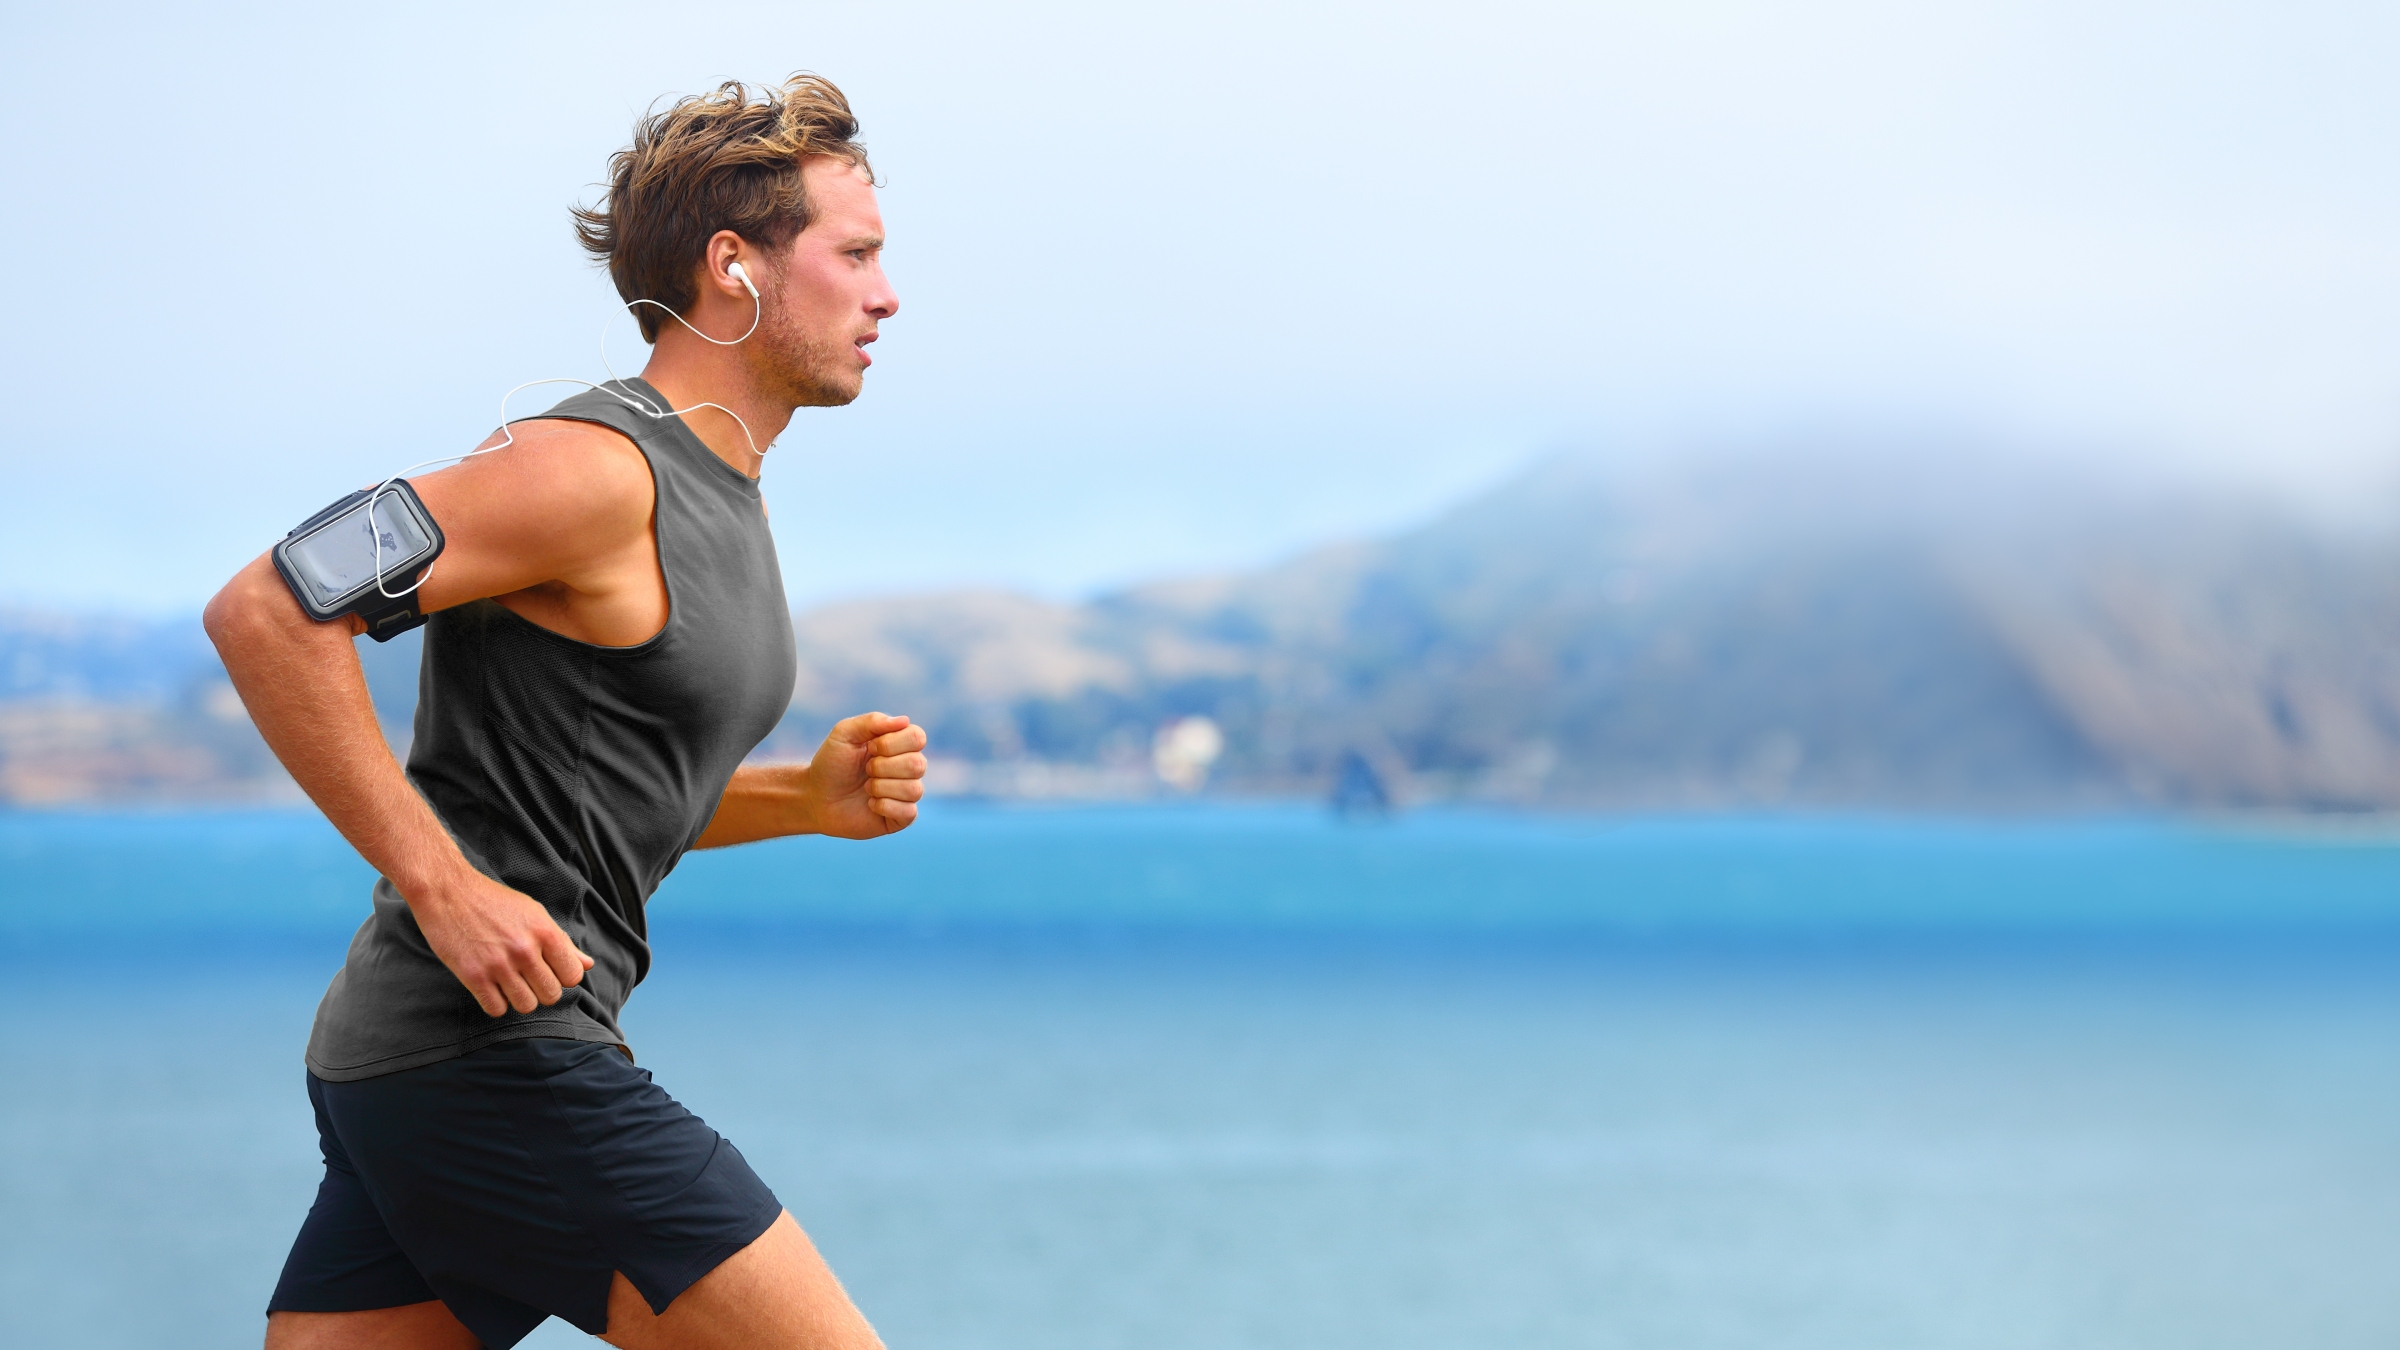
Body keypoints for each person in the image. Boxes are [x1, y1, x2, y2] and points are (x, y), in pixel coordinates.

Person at [203, 73, 916, 1350]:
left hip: (416, 1062)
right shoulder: (585, 469)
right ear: (733, 266)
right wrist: (442, 884)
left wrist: (799, 802)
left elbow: (578, 797)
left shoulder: (718, 485)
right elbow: (267, 610)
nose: (887, 294)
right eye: (855, 254)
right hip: (493, 1055)